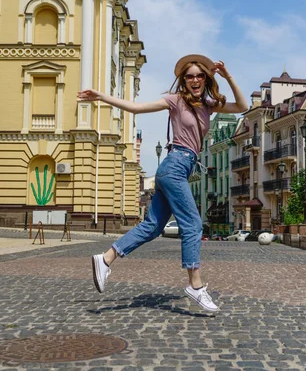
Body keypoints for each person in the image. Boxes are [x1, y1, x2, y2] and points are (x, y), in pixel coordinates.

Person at [77, 54, 248, 312]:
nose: (194, 80)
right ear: (183, 80)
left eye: (199, 75)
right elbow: (136, 107)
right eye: (189, 76)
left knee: (153, 226)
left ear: (206, 79)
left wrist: (228, 77)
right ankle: (196, 285)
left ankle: (105, 258)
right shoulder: (175, 101)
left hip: (179, 168)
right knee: (192, 224)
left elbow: (242, 106)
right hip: (174, 166)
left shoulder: (209, 105)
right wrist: (101, 97)